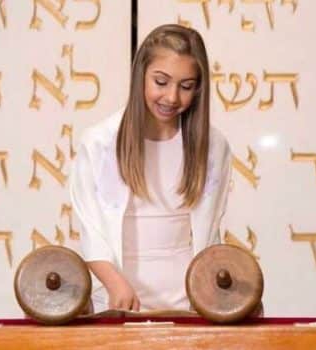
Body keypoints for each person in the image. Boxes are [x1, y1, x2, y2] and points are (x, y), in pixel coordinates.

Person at [70, 24, 232, 313]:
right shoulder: (100, 142)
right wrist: (116, 285)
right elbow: (91, 229)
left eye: (186, 86)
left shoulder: (214, 145)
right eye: (161, 82)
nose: (172, 97)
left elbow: (209, 234)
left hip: (191, 305)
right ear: (140, 76)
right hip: (120, 300)